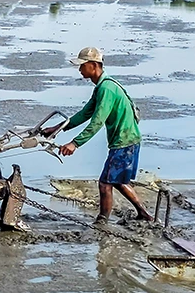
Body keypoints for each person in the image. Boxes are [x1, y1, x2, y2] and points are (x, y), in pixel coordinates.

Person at [43, 46, 153, 224]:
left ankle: (102, 221)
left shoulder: (107, 89)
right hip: (127, 140)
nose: (79, 70)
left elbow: (97, 122)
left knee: (105, 183)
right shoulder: (102, 86)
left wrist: (75, 144)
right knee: (116, 181)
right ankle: (144, 215)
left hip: (124, 142)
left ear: (93, 65)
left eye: (82, 65)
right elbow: (85, 113)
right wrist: (57, 128)